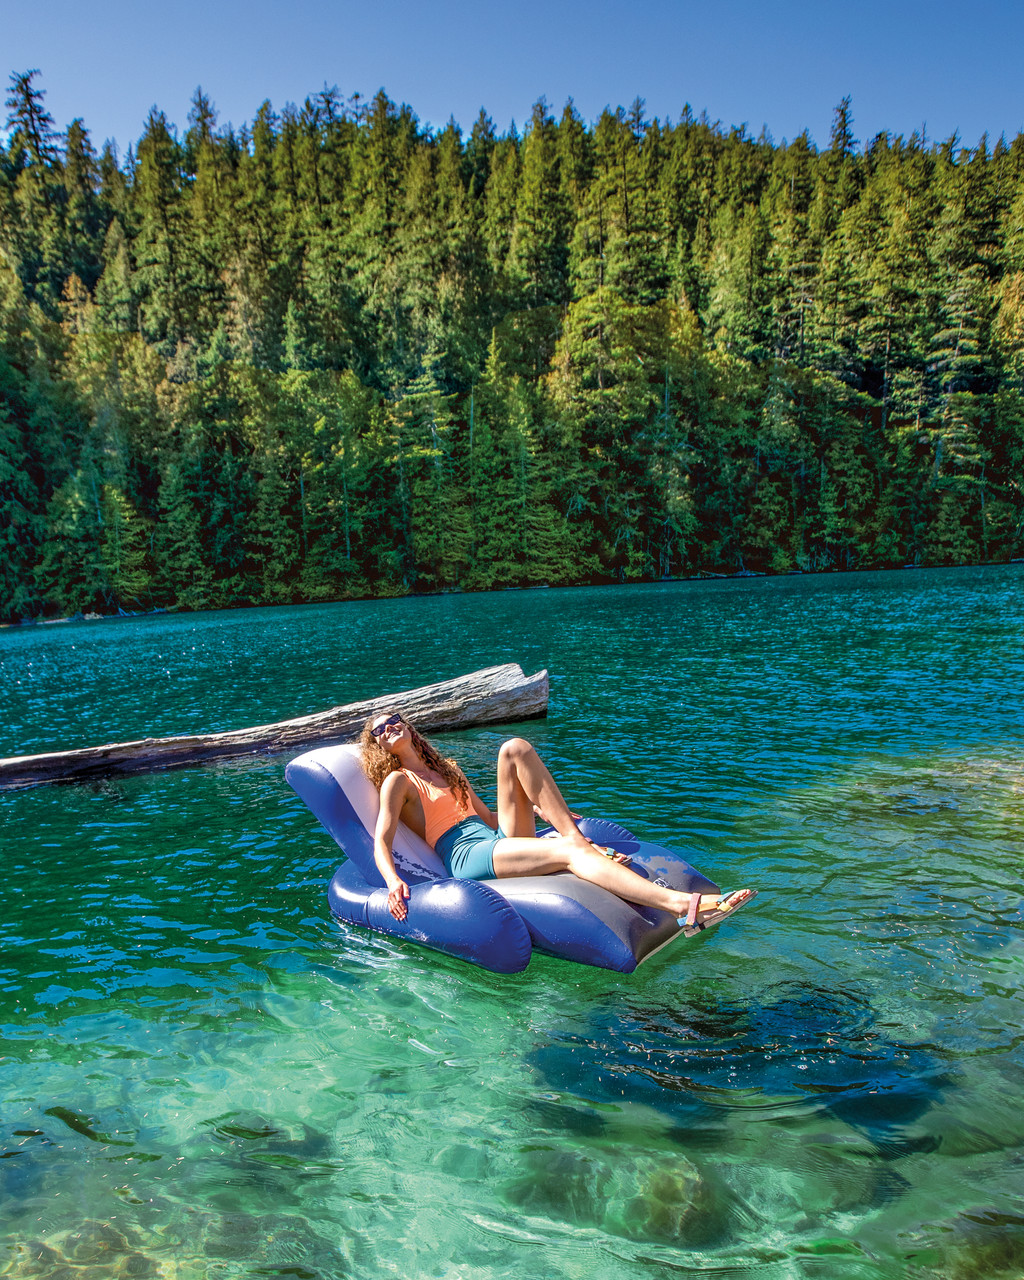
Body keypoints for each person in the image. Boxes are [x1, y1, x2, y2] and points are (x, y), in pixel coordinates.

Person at [360, 710, 755, 930]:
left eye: (393, 720)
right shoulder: (398, 781)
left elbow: (488, 817)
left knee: (514, 747)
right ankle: (684, 905)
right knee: (568, 851)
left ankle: (573, 840)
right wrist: (394, 881)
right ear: (378, 745)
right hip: (465, 855)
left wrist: (541, 812)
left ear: (408, 726)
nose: (388, 728)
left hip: (492, 838)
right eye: (379, 730)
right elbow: (382, 839)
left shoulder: (448, 769)